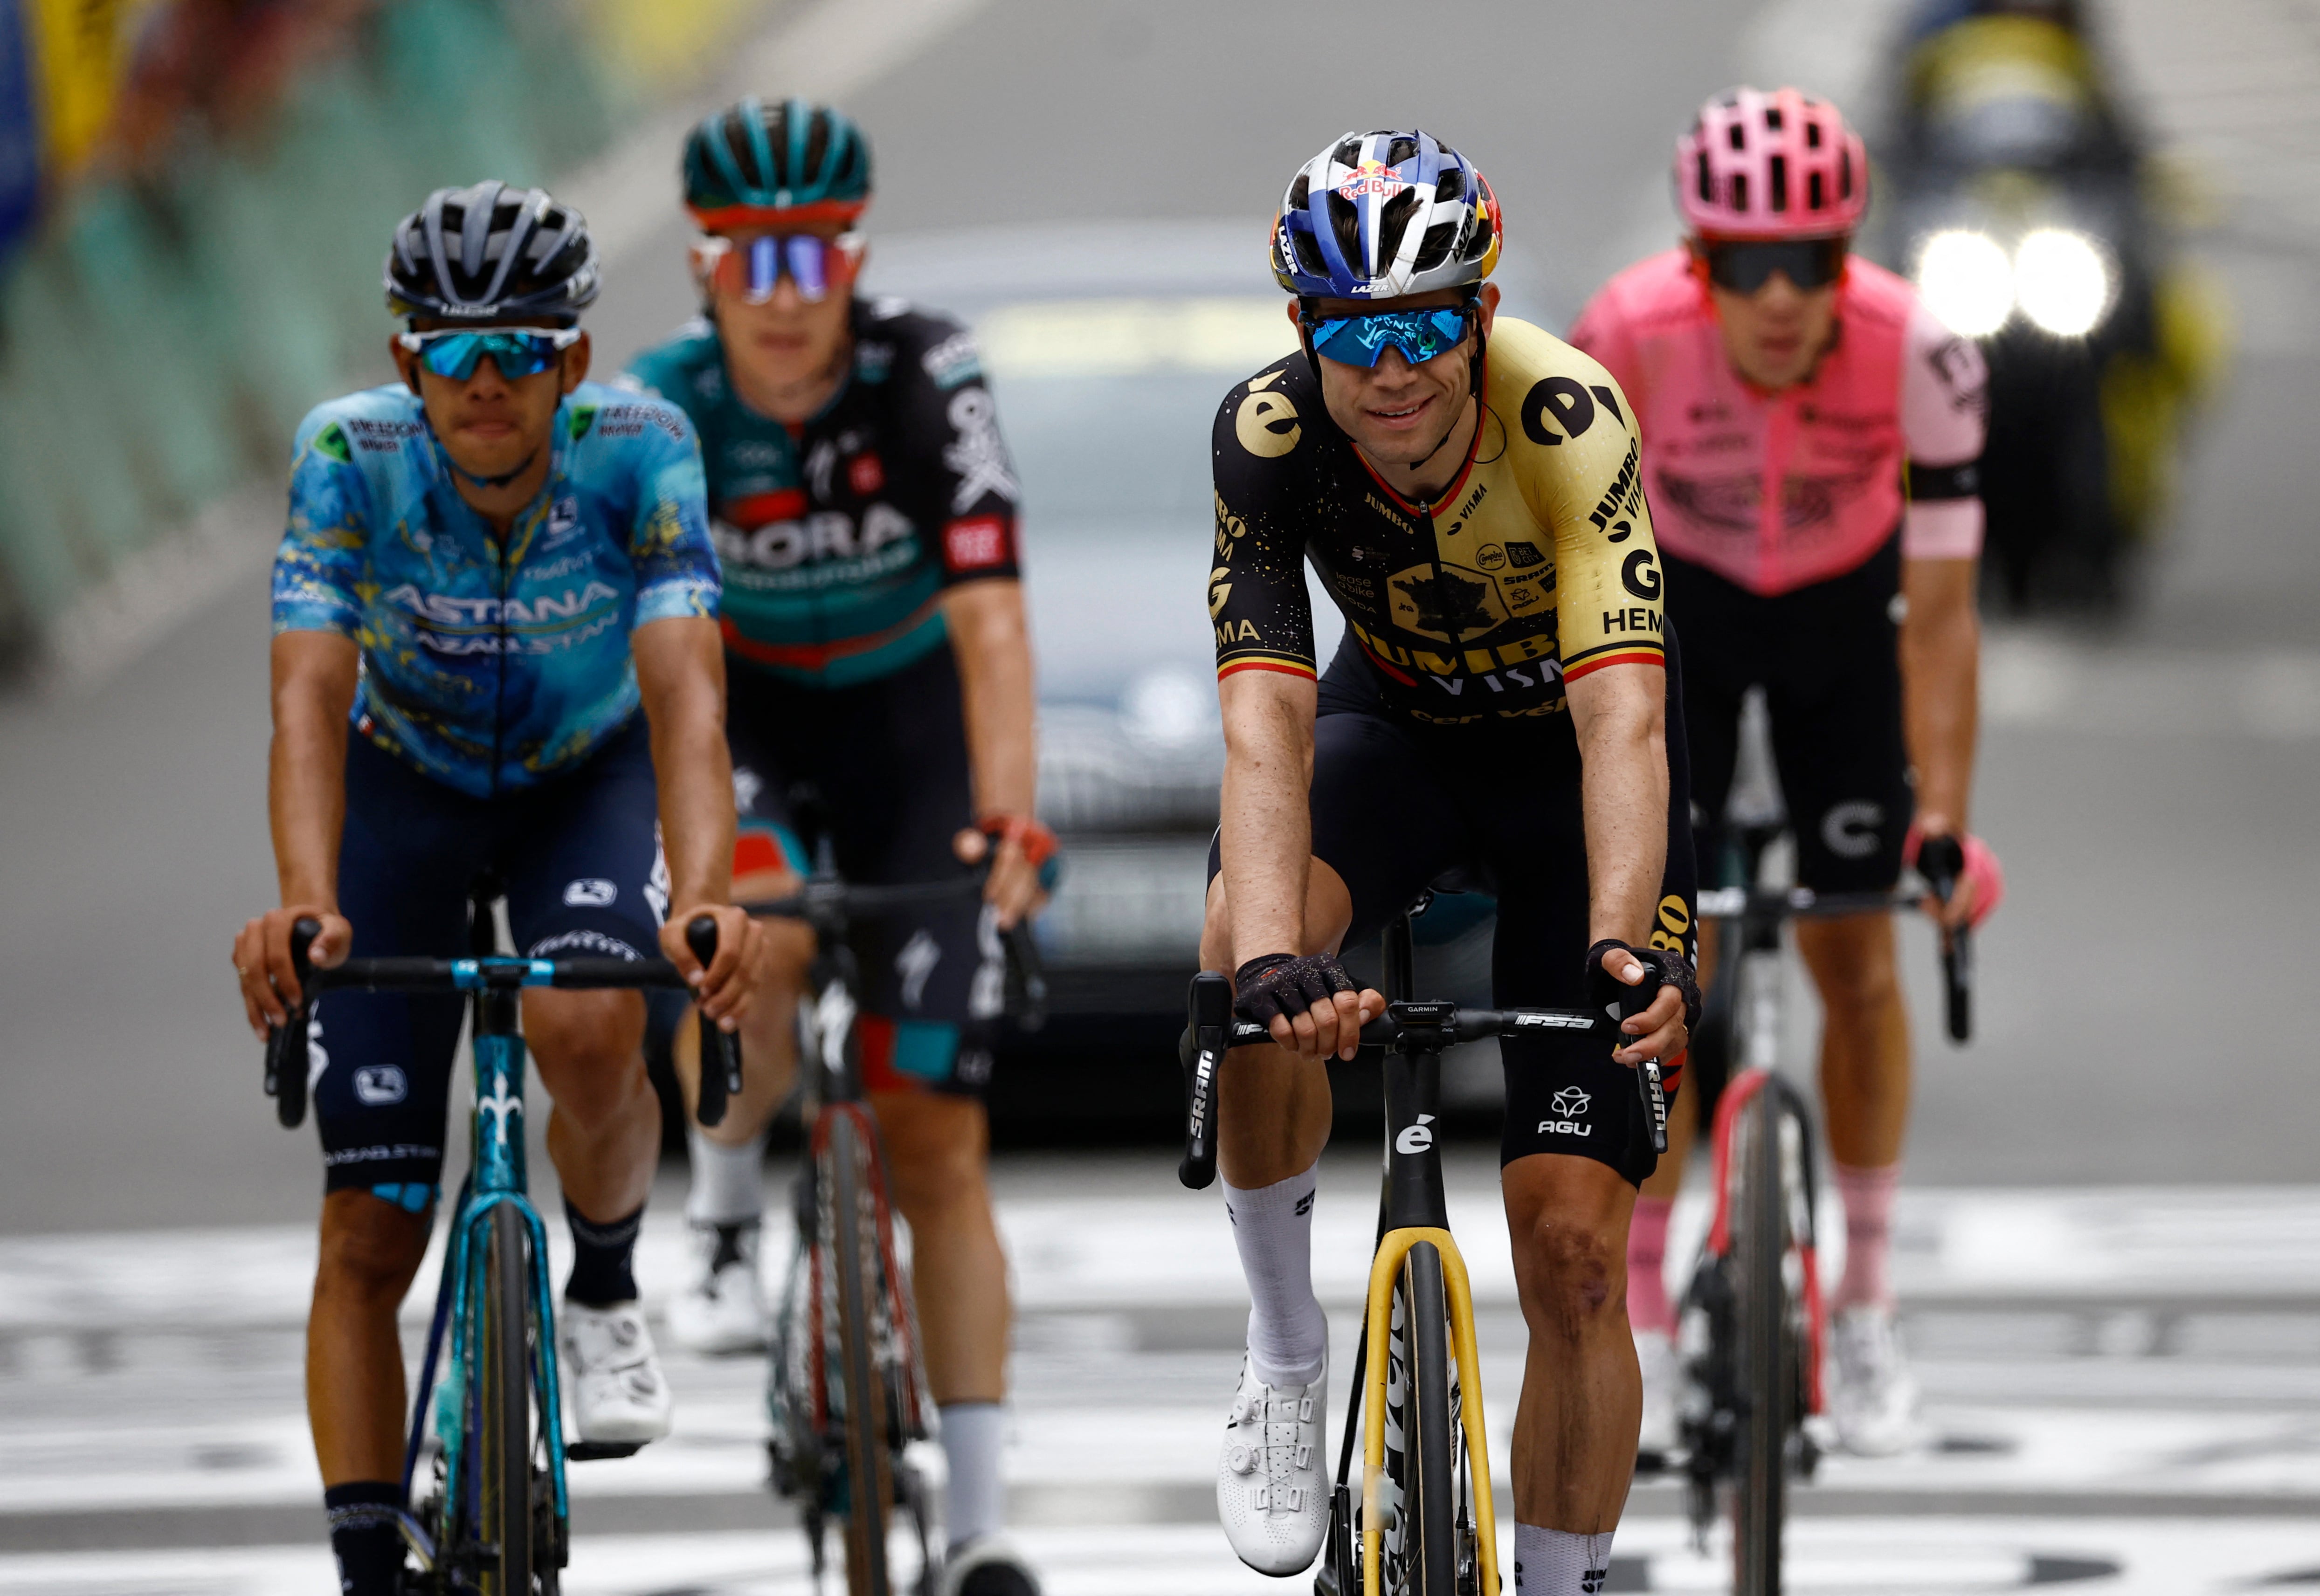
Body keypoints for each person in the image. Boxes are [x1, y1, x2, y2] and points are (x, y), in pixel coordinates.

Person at [229, 180, 762, 1596]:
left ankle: (603, 1283)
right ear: (405, 362)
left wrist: (707, 898)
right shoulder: (346, 456)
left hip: (583, 780)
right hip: (400, 787)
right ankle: (366, 1567)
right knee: (372, 1221)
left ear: (571, 359)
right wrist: (305, 901)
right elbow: (305, 698)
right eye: (451, 351)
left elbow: (688, 696)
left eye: (517, 350)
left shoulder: (642, 449)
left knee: (590, 1020)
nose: (484, 382)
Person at [1203, 128, 1700, 1595]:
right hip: (1400, 736)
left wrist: (1627, 943)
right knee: (1238, 943)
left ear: (1482, 314)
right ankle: (1286, 1355)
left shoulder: (1566, 420)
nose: (1394, 369)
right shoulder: (1267, 440)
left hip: (1572, 769)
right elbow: (1267, 723)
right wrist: (1280, 961)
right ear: (1304, 329)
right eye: (1354, 332)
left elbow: (1621, 720)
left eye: (1425, 326)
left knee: (1575, 1255)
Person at [621, 97, 1046, 1596]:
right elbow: (653, 659)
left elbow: (994, 621)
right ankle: (726, 1217)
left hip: (909, 730)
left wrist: (1011, 816)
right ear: (704, 268)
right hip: (739, 719)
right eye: (753, 257)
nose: (786, 291)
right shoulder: (659, 407)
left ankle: (980, 1523)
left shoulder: (927, 371)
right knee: (768, 927)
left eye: (816, 254)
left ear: (856, 259)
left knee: (937, 1136)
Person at [1567, 86, 2005, 1458]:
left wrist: (1944, 820)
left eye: (1807, 262)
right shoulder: (1623, 334)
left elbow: (1941, 620)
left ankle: (1865, 1305)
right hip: (1680, 614)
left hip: (1840, 628)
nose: (1776, 297)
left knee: (1856, 960)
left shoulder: (1921, 353)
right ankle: (1644, 1314)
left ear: (1846, 259)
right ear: (1696, 261)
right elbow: (1568, 579)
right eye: (1743, 263)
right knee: (1658, 966)